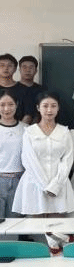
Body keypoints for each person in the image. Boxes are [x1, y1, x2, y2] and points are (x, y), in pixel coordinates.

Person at [12, 92, 74, 254]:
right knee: (37, 226)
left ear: (58, 108)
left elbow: (67, 159)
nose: (49, 110)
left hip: (59, 183)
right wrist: (45, 186)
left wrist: (55, 185)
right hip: (34, 183)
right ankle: (40, 257)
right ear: (38, 108)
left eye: (53, 106)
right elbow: (28, 160)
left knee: (58, 226)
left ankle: (58, 256)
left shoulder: (64, 132)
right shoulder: (29, 132)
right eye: (45, 106)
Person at [0, 89, 26, 218]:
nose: (6, 109)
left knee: (15, 222)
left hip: (19, 180)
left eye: (10, 104)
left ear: (17, 105)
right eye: (2, 105)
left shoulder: (26, 129)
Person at [0, 54, 32, 123]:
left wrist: (17, 128)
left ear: (15, 69)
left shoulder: (25, 90)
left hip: (19, 128)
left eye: (9, 66)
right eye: (2, 65)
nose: (6, 68)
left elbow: (28, 115)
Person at [19, 56, 44, 122]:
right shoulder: (11, 89)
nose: (28, 70)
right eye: (24, 67)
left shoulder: (42, 90)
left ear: (36, 71)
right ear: (19, 70)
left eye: (31, 67)